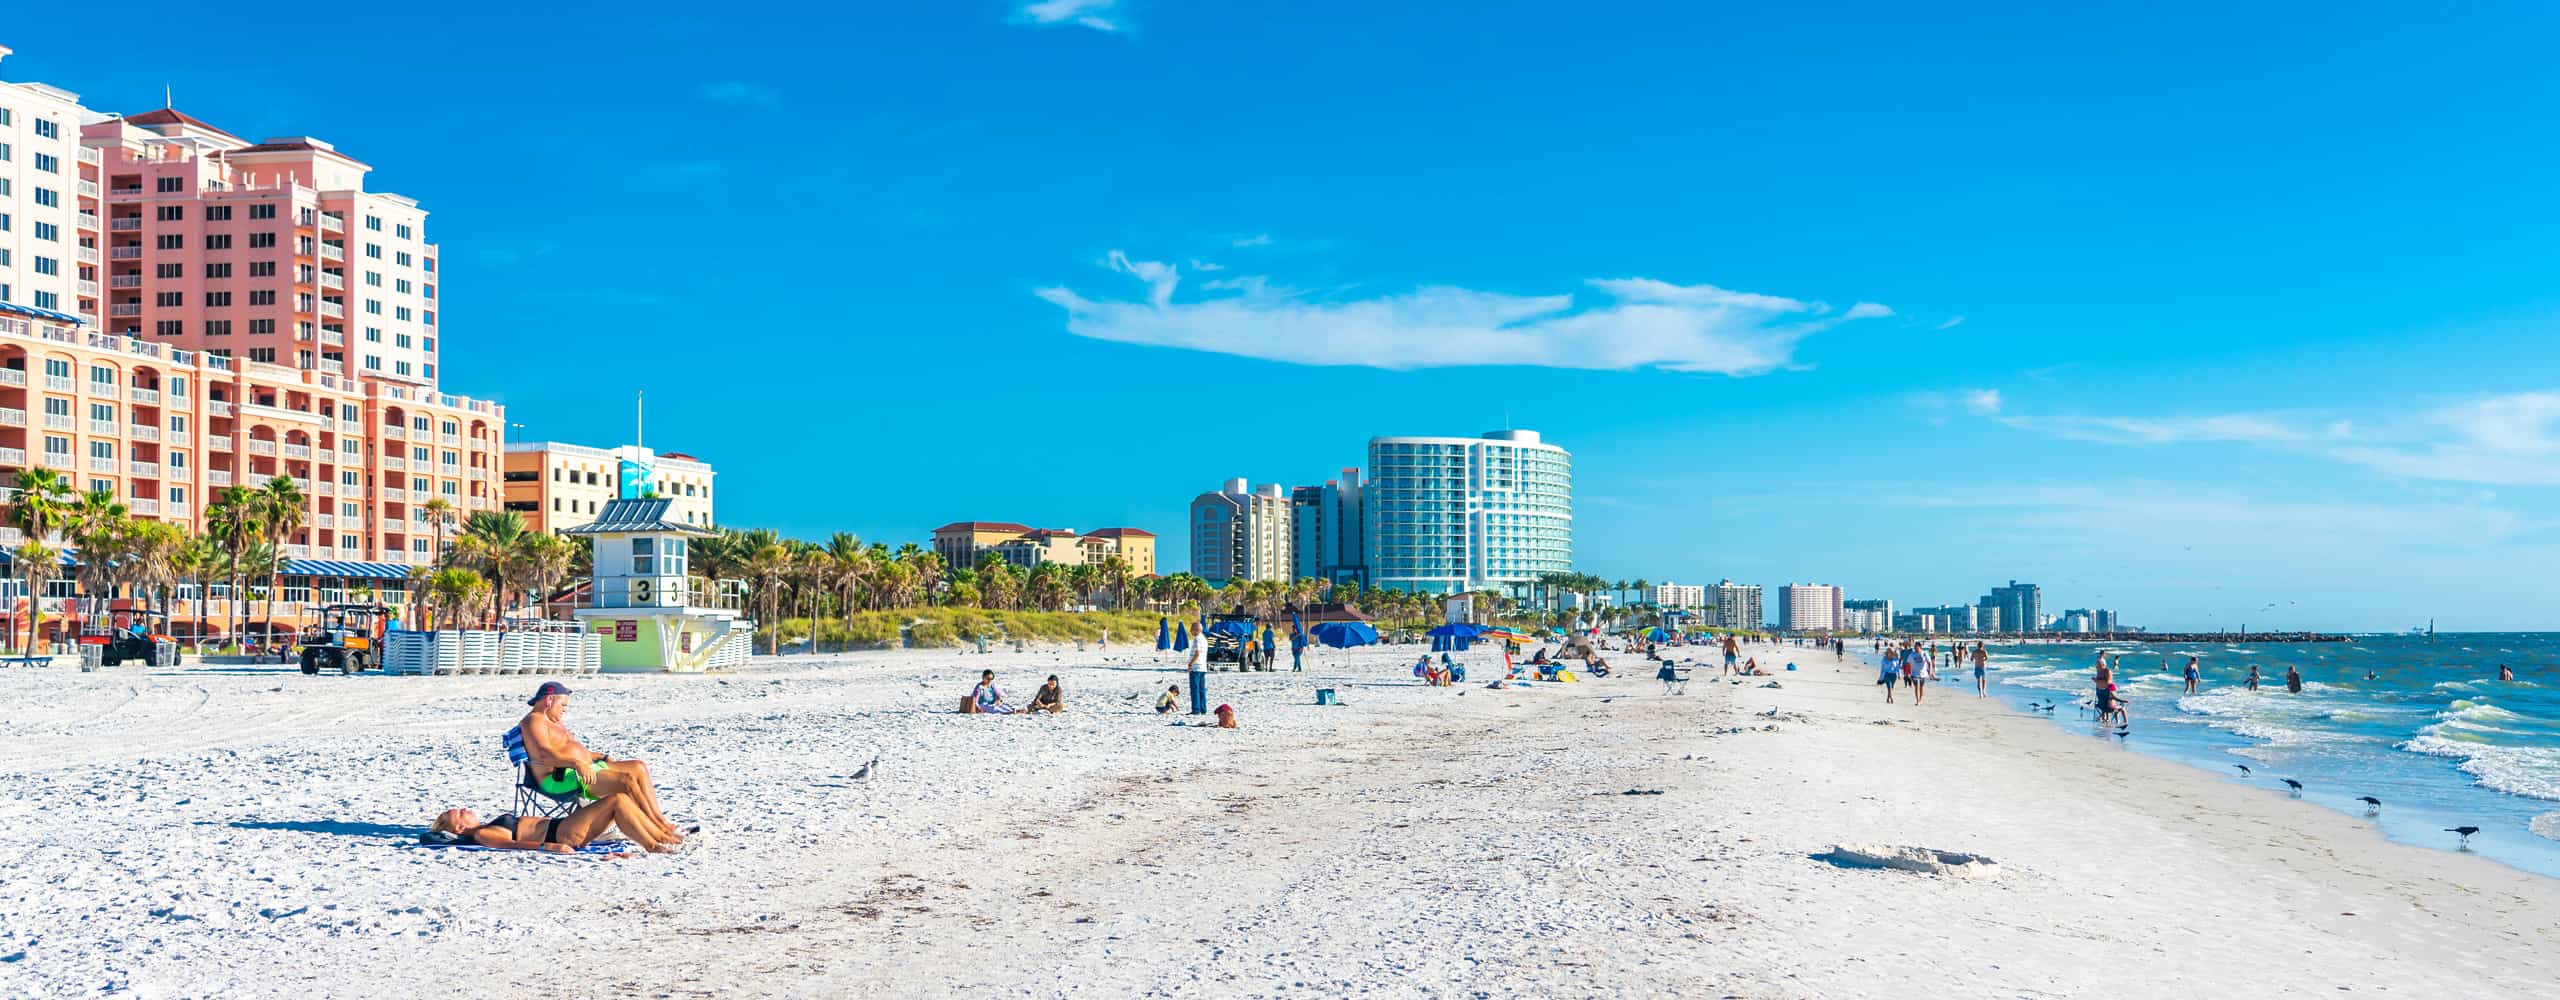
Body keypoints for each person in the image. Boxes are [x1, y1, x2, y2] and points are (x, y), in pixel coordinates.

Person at [517, 682, 684, 846]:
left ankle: (661, 822)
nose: (565, 709)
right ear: (549, 700)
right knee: (626, 781)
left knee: (638, 767)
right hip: (558, 779)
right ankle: (658, 831)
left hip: (579, 768)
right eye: (563, 705)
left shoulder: (552, 721)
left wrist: (602, 757)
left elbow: (569, 749)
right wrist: (577, 764)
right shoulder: (534, 721)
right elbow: (544, 755)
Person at [426, 793, 677, 855]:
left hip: (563, 826)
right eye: (458, 813)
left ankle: (660, 838)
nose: (464, 809)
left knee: (621, 800)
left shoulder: (485, 827)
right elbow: (511, 845)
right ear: (459, 829)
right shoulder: (482, 834)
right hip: (561, 833)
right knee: (617, 800)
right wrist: (550, 847)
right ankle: (652, 845)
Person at [1186, 634, 1210, 716]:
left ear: (1194, 630)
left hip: (1196, 667)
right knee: (1201, 689)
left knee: (1195, 689)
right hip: (1203, 667)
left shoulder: (1197, 639)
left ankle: (1196, 709)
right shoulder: (1204, 639)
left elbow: (1197, 653)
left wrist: (1190, 663)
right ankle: (1203, 709)